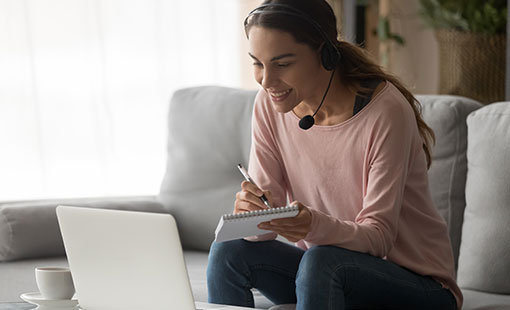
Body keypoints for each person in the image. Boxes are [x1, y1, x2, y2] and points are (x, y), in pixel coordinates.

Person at [206, 0, 461, 309]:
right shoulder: (269, 106)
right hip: (330, 274)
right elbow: (264, 224)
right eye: (258, 63)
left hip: (419, 285)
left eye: (283, 64)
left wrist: (312, 225)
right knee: (229, 251)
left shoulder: (385, 112)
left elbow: (378, 238)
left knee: (321, 260)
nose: (267, 81)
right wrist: (252, 216)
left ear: (325, 55)